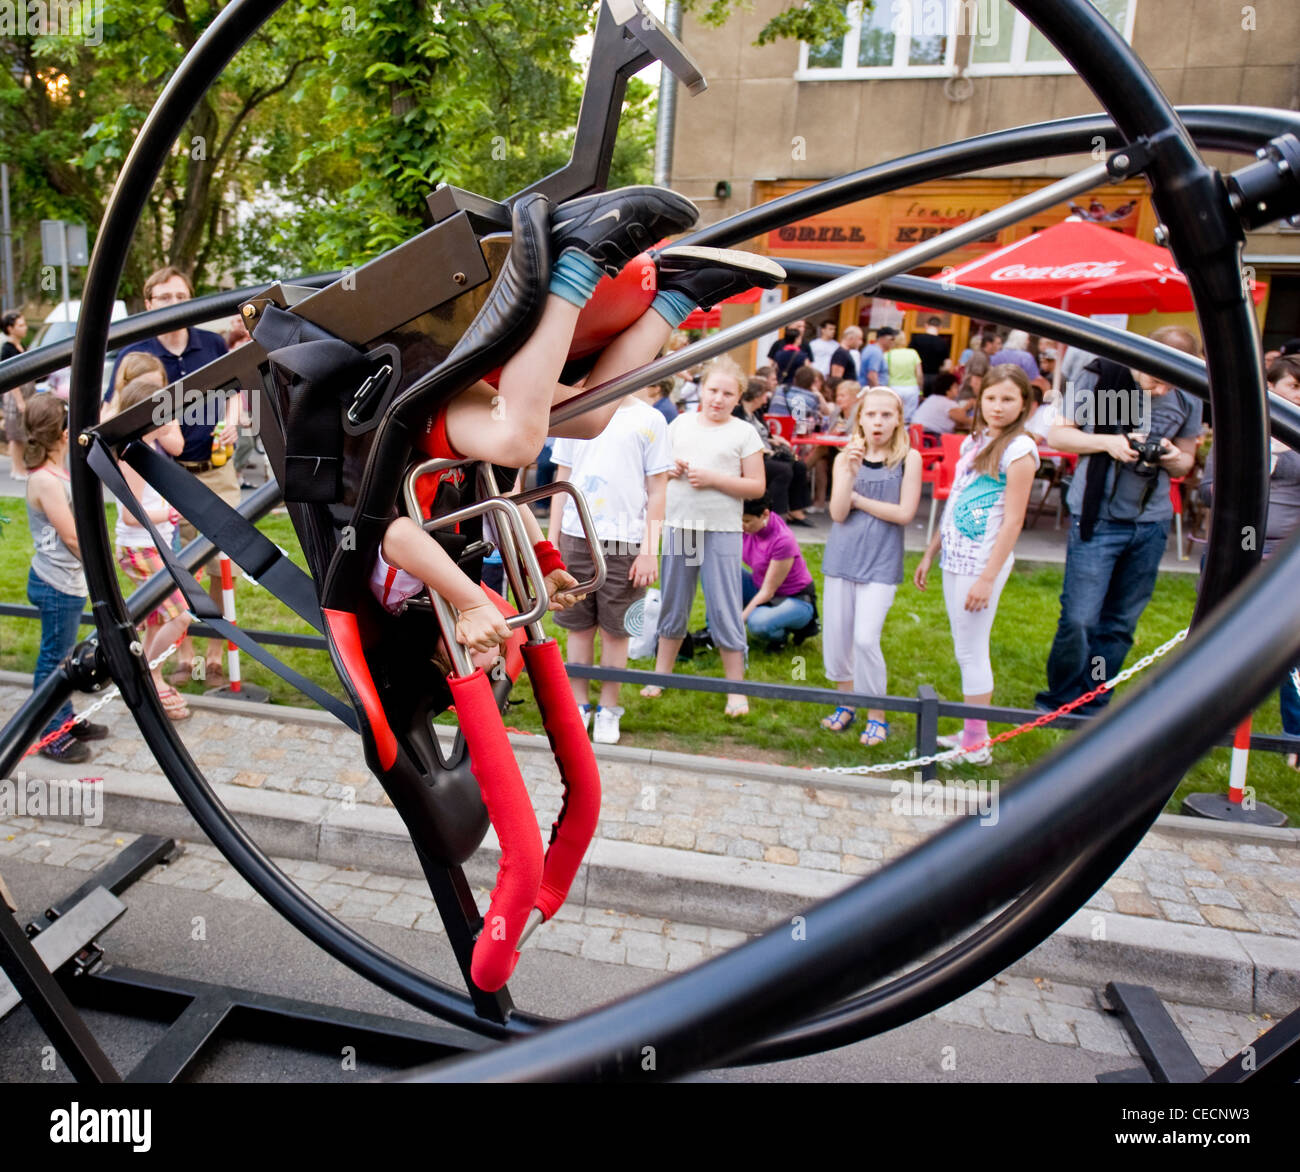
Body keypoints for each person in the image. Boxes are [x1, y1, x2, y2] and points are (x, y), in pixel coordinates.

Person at [372, 189, 784, 675]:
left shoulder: (406, 598)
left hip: (408, 415)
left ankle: (579, 256)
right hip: (457, 436)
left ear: (449, 654)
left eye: (481, 659)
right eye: (498, 658)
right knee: (590, 419)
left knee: (518, 442)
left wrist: (471, 603)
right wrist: (544, 563)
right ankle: (680, 295)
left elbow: (396, 536)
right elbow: (500, 506)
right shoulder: (459, 585)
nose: (493, 651)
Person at [1035, 326, 1202, 714]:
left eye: (1168, 384)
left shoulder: (1189, 392)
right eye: (1155, 380)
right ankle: (1060, 698)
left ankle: (1093, 699)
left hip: (1151, 521)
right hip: (1099, 516)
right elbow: (1059, 436)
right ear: (1142, 357)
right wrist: (1107, 442)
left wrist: (1169, 454)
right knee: (1080, 618)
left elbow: (1187, 460)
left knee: (1119, 623)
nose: (1160, 391)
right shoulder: (1100, 375)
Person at [107, 267, 237, 687]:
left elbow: (236, 391)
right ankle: (181, 656)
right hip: (164, 477)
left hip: (215, 470)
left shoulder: (212, 343)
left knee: (221, 567)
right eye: (163, 297)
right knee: (175, 570)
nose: (173, 303)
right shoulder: (138, 353)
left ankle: (215, 657)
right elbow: (112, 410)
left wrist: (234, 421)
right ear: (149, 303)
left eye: (180, 295)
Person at [915, 365, 1038, 765]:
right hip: (956, 555)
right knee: (964, 647)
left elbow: (1014, 520)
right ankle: (970, 734)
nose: (998, 407)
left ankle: (976, 743)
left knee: (972, 651)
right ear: (979, 399)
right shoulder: (979, 440)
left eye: (1007, 399)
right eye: (991, 398)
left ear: (1023, 404)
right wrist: (932, 550)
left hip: (981, 562)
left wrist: (987, 578)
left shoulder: (1020, 450)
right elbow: (955, 502)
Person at [641, 356, 765, 717]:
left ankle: (735, 690)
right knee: (673, 602)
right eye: (713, 390)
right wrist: (672, 469)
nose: (718, 399)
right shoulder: (679, 424)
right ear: (701, 390)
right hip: (682, 526)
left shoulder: (744, 433)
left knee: (725, 607)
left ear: (738, 397)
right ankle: (660, 675)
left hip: (722, 530)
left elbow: (756, 485)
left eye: (727, 393)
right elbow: (657, 473)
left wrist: (713, 479)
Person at [549, 381, 672, 745]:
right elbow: (562, 478)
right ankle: (579, 703)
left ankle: (609, 707)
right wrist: (551, 540)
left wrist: (649, 549)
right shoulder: (577, 410)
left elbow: (658, 489)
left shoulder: (650, 419)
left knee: (618, 630)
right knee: (577, 624)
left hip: (626, 539)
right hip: (575, 535)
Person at [1201, 355, 1300, 766]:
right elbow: (1208, 490)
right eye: (1294, 386)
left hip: (1285, 560)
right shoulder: (1240, 433)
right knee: (1219, 639)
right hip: (1233, 556)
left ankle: (1295, 737)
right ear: (1271, 387)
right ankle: (1204, 726)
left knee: (1290, 652)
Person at [821, 387, 922, 747]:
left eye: (886, 415)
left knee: (865, 639)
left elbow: (905, 514)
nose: (878, 422)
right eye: (871, 415)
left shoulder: (910, 459)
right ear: (859, 418)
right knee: (837, 638)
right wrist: (848, 473)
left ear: (898, 420)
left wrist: (859, 498)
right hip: (841, 558)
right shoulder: (844, 457)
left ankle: (876, 714)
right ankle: (846, 702)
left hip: (880, 562)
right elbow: (837, 512)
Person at [23, 394, 108, 762]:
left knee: (63, 656)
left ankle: (65, 719)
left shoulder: (55, 473)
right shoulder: (46, 480)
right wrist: (98, 570)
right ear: (61, 433)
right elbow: (72, 536)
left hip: (63, 581)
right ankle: (50, 734)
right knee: (55, 660)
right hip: (56, 583)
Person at [112, 371, 198, 721]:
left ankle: (148, 677)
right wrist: (169, 511)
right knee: (180, 616)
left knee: (153, 620)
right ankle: (149, 674)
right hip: (140, 547)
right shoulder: (133, 454)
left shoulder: (144, 447)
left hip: (151, 545)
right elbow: (131, 513)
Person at [740, 495, 818, 650]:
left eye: (747, 521)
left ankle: (781, 635)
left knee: (757, 623)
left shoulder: (783, 540)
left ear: (765, 515)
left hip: (795, 599)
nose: (742, 526)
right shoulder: (746, 527)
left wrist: (739, 621)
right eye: (740, 520)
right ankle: (711, 631)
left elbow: (768, 592)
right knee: (720, 575)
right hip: (758, 587)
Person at [736, 377, 811, 524]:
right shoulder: (738, 413)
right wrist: (763, 450)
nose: (766, 400)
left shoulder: (756, 412)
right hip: (754, 457)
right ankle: (776, 514)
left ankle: (795, 510)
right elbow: (741, 439)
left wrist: (775, 440)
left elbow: (765, 434)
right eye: (764, 395)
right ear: (756, 396)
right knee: (783, 470)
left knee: (799, 466)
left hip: (767, 453)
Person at [2, 309, 33, 480]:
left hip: (27, 392)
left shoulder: (21, 346)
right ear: (10, 328)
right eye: (20, 325)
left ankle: (21, 467)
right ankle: (16, 468)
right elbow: (11, 377)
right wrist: (20, 401)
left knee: (22, 433)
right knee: (15, 435)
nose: (25, 328)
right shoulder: (7, 349)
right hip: (16, 396)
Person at [884, 333, 923, 423]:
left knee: (893, 416)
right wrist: (920, 391)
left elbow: (886, 373)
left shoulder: (888, 355)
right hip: (911, 388)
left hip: (894, 388)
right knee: (909, 418)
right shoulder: (913, 353)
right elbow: (919, 374)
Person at [911, 372, 963, 436]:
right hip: (930, 436)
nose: (958, 390)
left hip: (915, 434)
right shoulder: (948, 403)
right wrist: (969, 405)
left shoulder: (932, 398)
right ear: (947, 390)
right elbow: (963, 420)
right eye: (955, 387)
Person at [909, 316, 951, 394]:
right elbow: (947, 366)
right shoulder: (943, 343)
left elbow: (909, 359)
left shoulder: (917, 339)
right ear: (940, 327)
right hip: (935, 378)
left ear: (926, 325)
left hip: (916, 376)